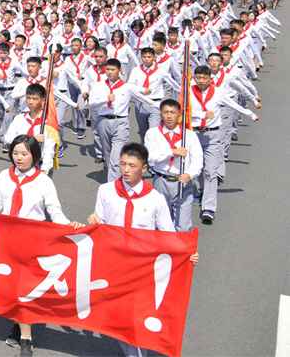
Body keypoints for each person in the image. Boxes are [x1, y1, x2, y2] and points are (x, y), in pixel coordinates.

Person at [0, 135, 83, 356]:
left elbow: (55, 213)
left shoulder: (44, 181)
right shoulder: (4, 176)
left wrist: (70, 225)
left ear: (35, 156)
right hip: (7, 239)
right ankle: (18, 324)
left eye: (24, 154)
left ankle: (26, 337)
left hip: (32, 241)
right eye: (15, 153)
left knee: (24, 288)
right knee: (11, 286)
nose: (19, 158)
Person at [87, 142, 200, 357]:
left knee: (136, 317)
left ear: (144, 168)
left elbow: (167, 234)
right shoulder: (106, 191)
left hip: (141, 267)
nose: (126, 170)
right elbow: (99, 223)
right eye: (122, 164)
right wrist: (93, 221)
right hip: (112, 263)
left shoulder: (155, 199)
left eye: (132, 165)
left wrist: (186, 253)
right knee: (116, 314)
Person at [187, 65, 257, 224]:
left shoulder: (217, 93)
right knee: (196, 167)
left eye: (204, 78)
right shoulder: (189, 91)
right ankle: (199, 191)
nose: (201, 81)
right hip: (194, 133)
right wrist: (201, 114)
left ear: (210, 79)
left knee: (211, 170)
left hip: (212, 134)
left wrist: (250, 114)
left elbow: (234, 105)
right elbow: (184, 112)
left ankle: (209, 207)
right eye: (198, 77)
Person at [144, 99, 203, 232]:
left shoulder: (189, 135)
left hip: (182, 182)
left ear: (179, 116)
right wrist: (171, 152)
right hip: (161, 180)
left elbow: (198, 160)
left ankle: (182, 252)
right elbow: (150, 157)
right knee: (161, 223)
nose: (169, 116)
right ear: (161, 115)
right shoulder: (152, 134)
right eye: (165, 112)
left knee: (183, 225)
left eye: (172, 112)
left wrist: (190, 174)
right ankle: (163, 252)